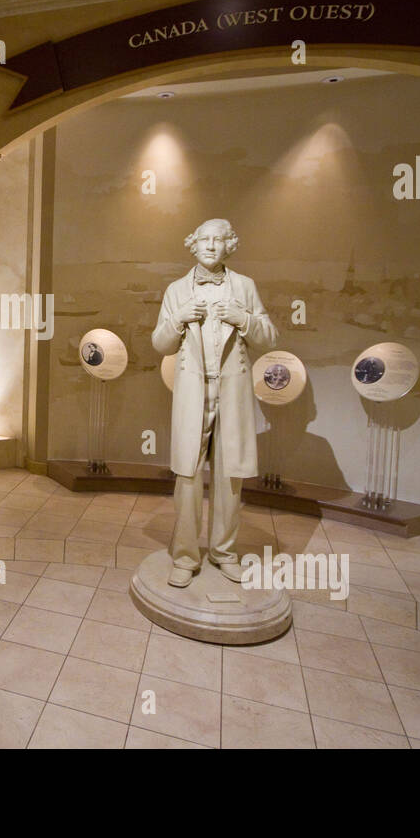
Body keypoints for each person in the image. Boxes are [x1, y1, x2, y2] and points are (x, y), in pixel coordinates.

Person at [152, 218, 277, 588]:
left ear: (229, 246)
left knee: (230, 476)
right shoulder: (176, 290)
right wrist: (177, 319)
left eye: (218, 240)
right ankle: (186, 556)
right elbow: (159, 343)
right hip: (193, 392)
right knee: (188, 475)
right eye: (204, 239)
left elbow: (269, 337)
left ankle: (224, 552)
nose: (210, 245)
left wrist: (245, 319)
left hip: (232, 392)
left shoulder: (245, 287)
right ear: (193, 245)